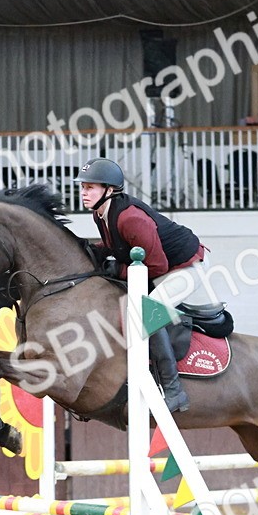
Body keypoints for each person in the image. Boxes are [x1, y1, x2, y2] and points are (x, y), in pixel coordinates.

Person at [74, 157, 209, 413]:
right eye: (83, 187)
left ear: (109, 190)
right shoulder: (100, 214)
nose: (84, 192)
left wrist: (119, 268)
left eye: (90, 187)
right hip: (162, 267)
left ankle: (173, 390)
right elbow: (117, 246)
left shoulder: (130, 218)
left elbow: (156, 266)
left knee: (148, 313)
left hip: (186, 268)